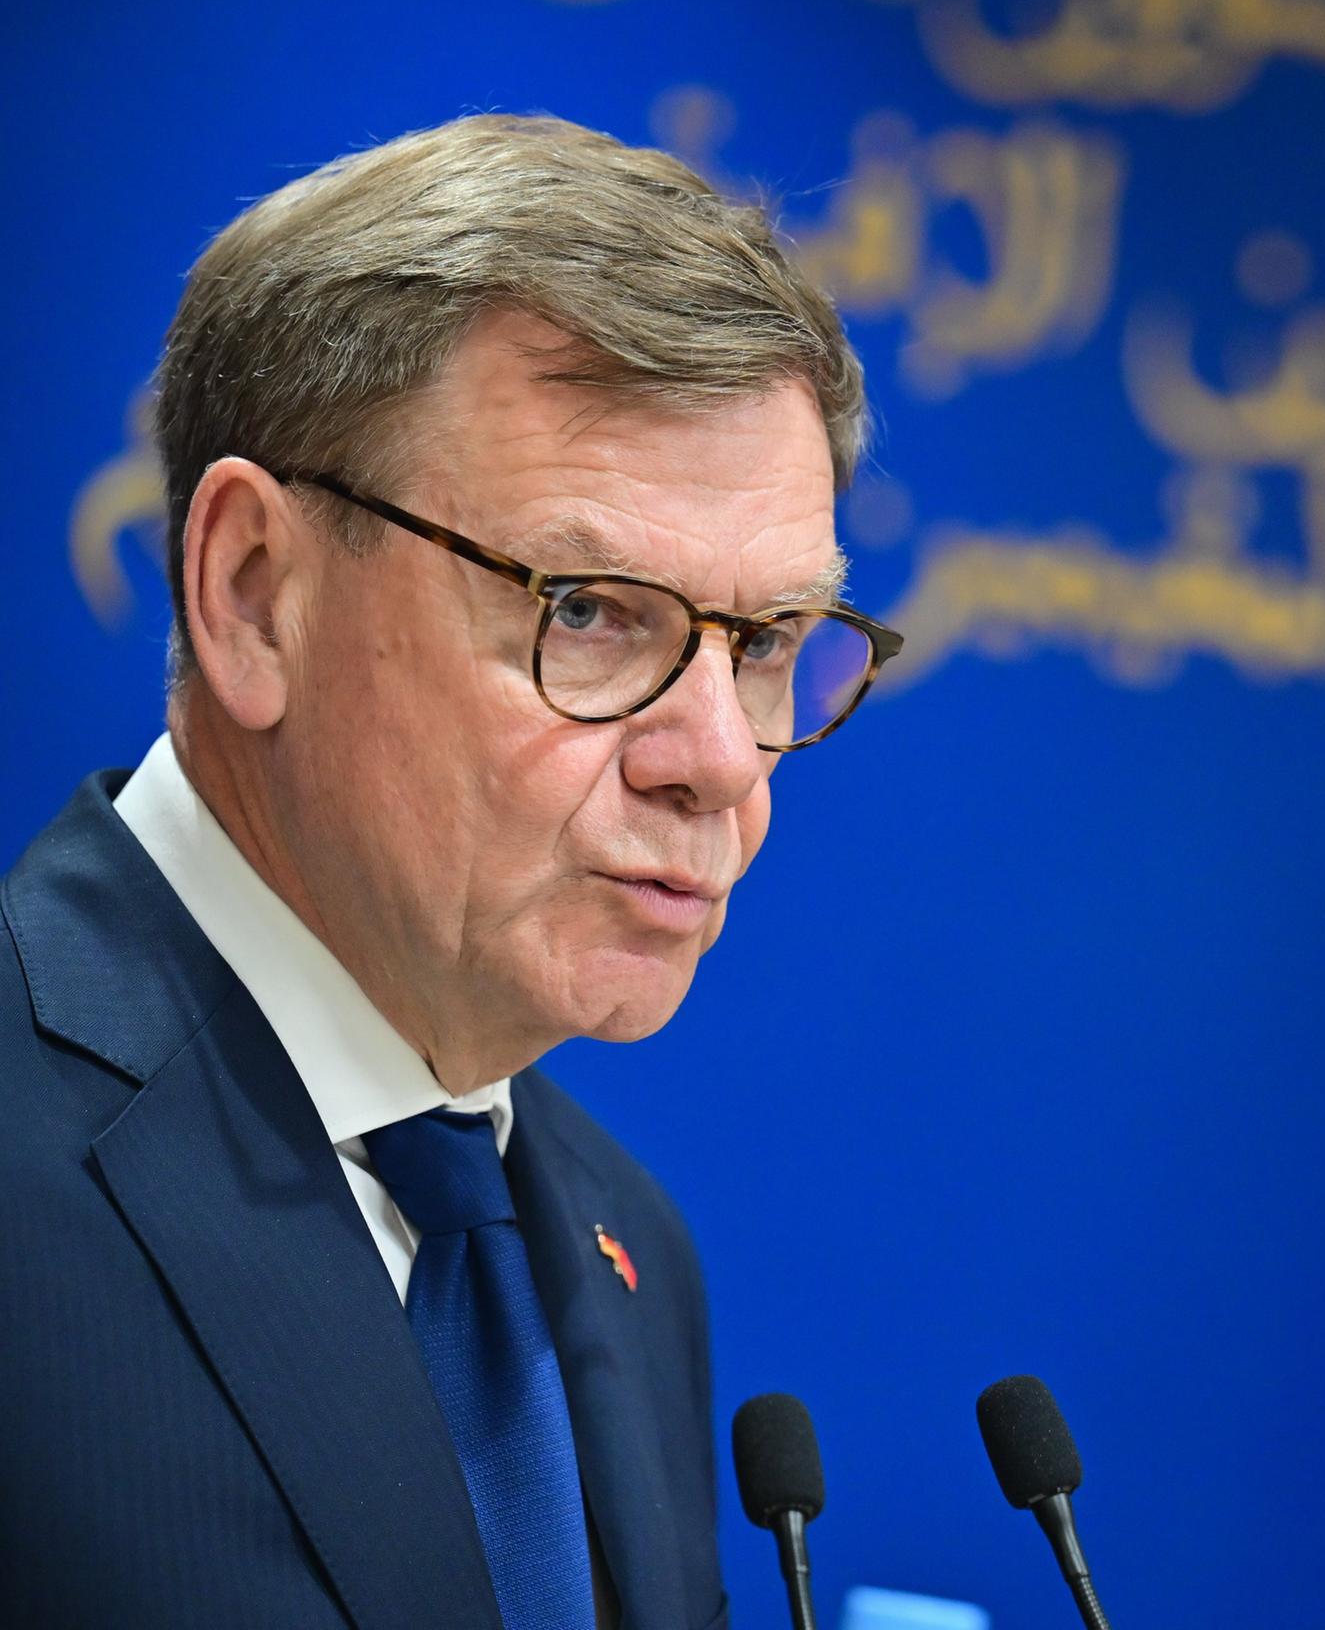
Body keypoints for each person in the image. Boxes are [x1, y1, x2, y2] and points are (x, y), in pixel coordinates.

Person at [0, 113, 901, 1629]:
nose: (720, 760)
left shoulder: (628, 1246)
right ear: (256, 594)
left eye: (764, 644)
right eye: (592, 610)